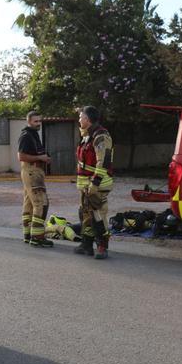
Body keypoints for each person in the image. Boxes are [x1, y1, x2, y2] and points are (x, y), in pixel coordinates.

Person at [74, 106, 114, 259]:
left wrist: (95, 183)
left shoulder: (101, 136)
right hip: (86, 184)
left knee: (98, 215)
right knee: (85, 214)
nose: (79, 119)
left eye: (81, 117)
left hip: (98, 184)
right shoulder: (87, 136)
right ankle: (86, 245)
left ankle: (102, 247)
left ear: (88, 119)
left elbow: (103, 162)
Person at [18, 111, 53, 248]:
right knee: (41, 203)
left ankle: (28, 234)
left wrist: (44, 158)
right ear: (29, 122)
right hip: (32, 171)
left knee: (29, 203)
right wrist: (40, 158)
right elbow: (21, 156)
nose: (38, 124)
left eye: (40, 121)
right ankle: (37, 237)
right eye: (35, 121)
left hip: (33, 171)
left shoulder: (33, 134)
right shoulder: (26, 135)